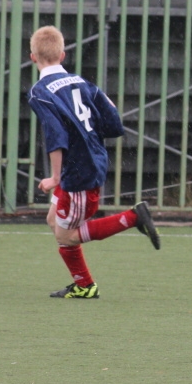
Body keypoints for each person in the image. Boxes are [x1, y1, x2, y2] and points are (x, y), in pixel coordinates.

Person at [28, 25, 160, 299]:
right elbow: (113, 121)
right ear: (63, 55)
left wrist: (54, 177)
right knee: (53, 220)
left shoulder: (40, 92)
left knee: (66, 236)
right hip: (91, 161)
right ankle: (84, 284)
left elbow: (56, 135)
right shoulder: (83, 82)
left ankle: (132, 218)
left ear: (33, 57)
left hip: (76, 174)